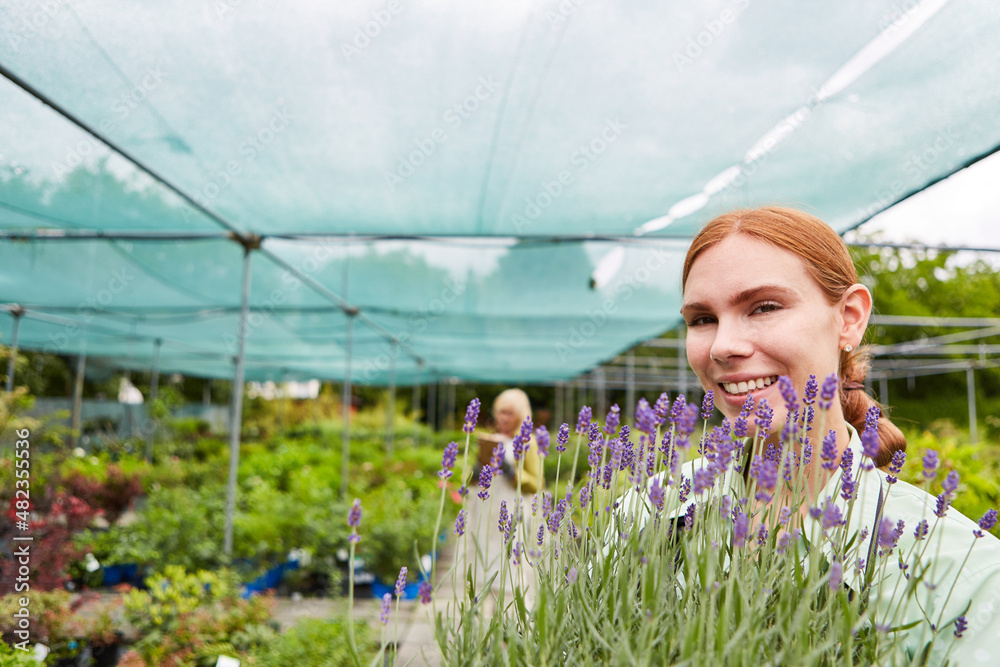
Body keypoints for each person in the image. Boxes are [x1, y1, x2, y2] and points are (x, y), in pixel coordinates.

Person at [672, 206, 1000, 665]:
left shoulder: (967, 576)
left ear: (849, 317)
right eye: (702, 319)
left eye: (764, 307)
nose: (724, 345)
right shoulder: (649, 516)